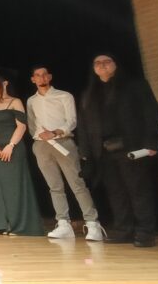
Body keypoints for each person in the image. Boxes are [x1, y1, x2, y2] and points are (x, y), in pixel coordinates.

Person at [78, 54, 158, 247]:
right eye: (97, 63)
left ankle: (145, 232)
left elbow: (150, 113)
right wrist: (85, 152)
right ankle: (124, 229)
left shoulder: (135, 86)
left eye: (106, 62)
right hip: (103, 150)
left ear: (116, 64)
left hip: (131, 147)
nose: (102, 66)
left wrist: (152, 142)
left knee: (138, 190)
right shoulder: (89, 93)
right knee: (116, 192)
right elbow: (83, 125)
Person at [27, 66, 103, 240]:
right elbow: (32, 123)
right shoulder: (31, 101)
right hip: (42, 145)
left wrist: (55, 132)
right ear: (33, 79)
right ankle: (63, 223)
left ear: (49, 76)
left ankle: (92, 223)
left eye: (44, 74)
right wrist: (39, 136)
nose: (41, 77)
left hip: (63, 142)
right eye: (37, 75)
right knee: (54, 186)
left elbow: (72, 121)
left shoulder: (64, 95)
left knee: (77, 183)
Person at [0, 70, 44, 236]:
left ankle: (18, 224)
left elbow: (21, 126)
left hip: (12, 148)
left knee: (14, 187)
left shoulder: (15, 102)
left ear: (5, 83)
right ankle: (2, 224)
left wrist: (11, 145)